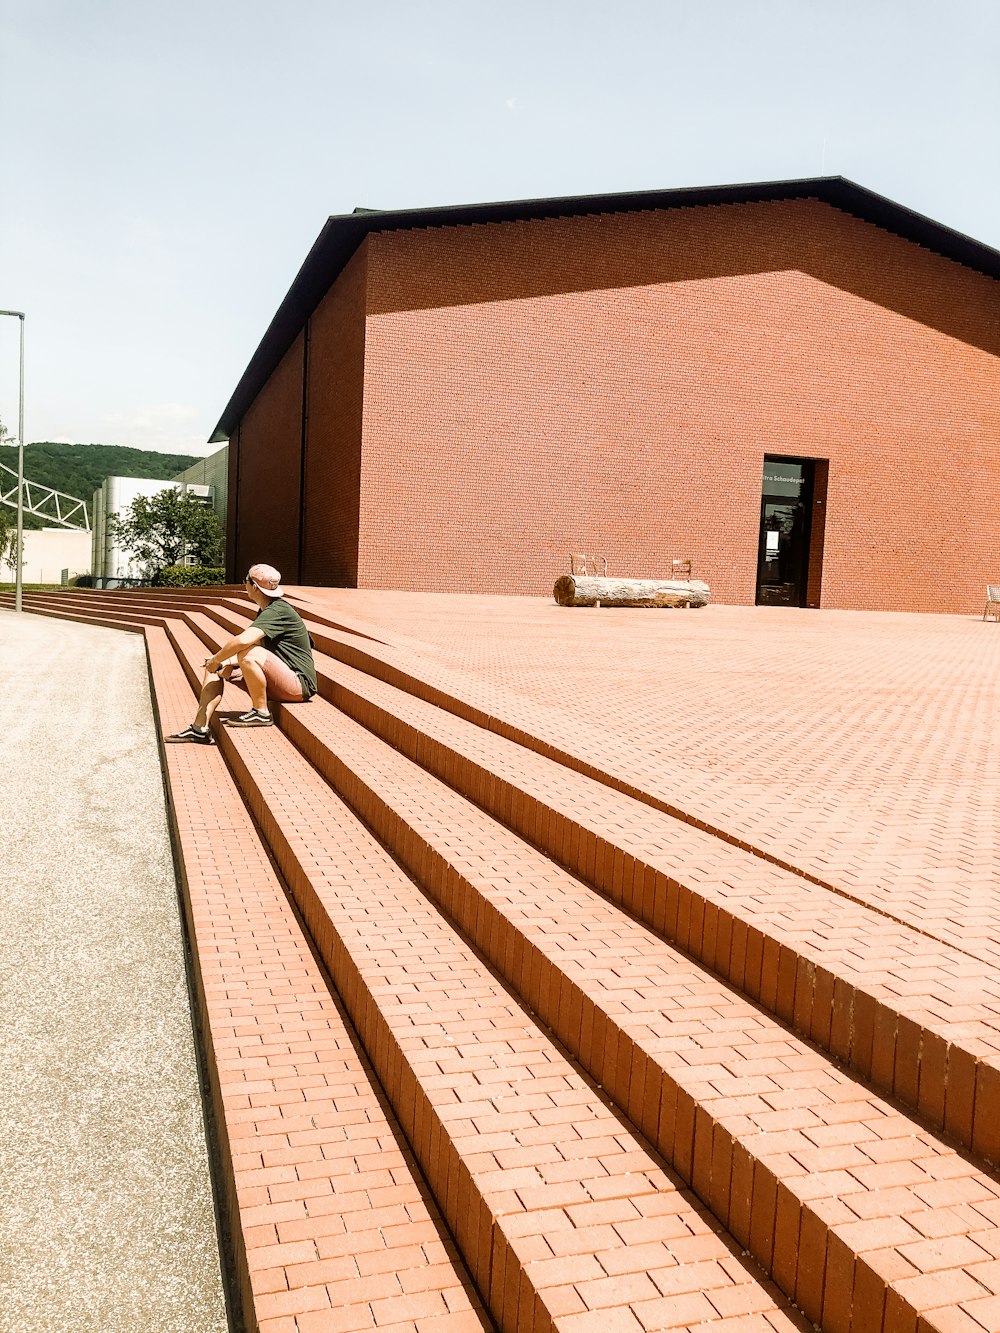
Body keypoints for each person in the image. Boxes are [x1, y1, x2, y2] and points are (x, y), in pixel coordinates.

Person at [166, 563, 317, 743]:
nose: (243, 584)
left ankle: (261, 712)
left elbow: (244, 641)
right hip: (282, 678)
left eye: (245, 580)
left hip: (299, 684)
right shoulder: (267, 610)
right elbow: (258, 645)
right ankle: (200, 729)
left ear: (254, 587)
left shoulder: (278, 610)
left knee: (248, 654)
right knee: (213, 667)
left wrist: (218, 658)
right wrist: (217, 663)